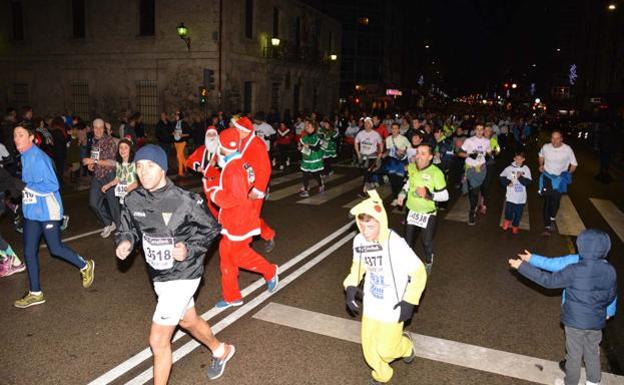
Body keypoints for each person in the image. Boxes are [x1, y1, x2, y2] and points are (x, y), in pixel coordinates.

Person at [115, 145, 234, 383]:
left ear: (162, 169)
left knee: (158, 340)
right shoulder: (132, 199)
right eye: (139, 166)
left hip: (184, 273)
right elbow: (127, 228)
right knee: (187, 320)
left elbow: (212, 229)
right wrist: (125, 241)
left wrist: (189, 249)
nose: (144, 171)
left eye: (150, 166)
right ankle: (221, 350)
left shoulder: (185, 200)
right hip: (159, 276)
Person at [508, 229, 617, 385]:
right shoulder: (610, 270)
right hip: (596, 322)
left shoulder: (574, 268)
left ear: (581, 245)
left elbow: (548, 281)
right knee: (592, 353)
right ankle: (594, 383)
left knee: (573, 355)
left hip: (574, 322)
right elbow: (612, 294)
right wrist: (608, 311)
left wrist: (523, 267)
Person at [343, 190, 427, 385]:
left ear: (381, 222)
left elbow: (419, 272)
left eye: (370, 226)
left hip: (394, 305)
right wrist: (351, 286)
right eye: (362, 226)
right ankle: (382, 375)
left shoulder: (395, 244)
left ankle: (406, 346)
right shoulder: (359, 241)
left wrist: (410, 301)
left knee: (387, 350)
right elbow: (359, 266)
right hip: (372, 303)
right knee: (369, 348)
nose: (365, 231)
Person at [13, 123, 95, 308]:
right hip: (32, 212)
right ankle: (35, 293)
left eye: (20, 135)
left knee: (55, 248)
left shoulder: (39, 158)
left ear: (31, 137)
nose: (16, 138)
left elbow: (52, 186)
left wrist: (25, 187)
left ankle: (85, 265)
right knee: (28, 251)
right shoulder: (24, 156)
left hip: (48, 211)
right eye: (15, 135)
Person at [207, 128, 279, 309]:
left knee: (237, 256)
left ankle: (269, 271)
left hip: (239, 221)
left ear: (222, 146)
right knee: (226, 255)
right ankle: (232, 296)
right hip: (238, 218)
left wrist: (214, 192)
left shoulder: (233, 168)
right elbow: (248, 183)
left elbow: (234, 197)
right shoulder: (240, 162)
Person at [397, 144, 448, 273]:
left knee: (426, 242)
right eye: (417, 152)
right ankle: (407, 265)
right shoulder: (412, 167)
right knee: (408, 241)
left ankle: (429, 260)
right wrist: (403, 193)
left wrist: (428, 195)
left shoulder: (436, 173)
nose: (418, 156)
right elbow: (409, 182)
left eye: (423, 153)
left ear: (430, 157)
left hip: (428, 213)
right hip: (411, 210)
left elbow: (445, 196)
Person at [233, 116, 276, 253]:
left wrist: (257, 190)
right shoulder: (238, 142)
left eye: (237, 128)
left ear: (244, 130)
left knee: (249, 218)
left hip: (254, 188)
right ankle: (267, 234)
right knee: (246, 217)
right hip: (240, 187)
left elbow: (266, 169)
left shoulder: (257, 144)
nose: (235, 130)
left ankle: (245, 248)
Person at [83, 118, 120, 238]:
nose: (98, 130)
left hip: (109, 175)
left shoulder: (109, 141)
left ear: (104, 129)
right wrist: (91, 165)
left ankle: (121, 231)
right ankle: (108, 223)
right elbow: (96, 159)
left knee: (113, 205)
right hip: (97, 175)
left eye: (100, 127)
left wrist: (93, 160)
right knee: (93, 203)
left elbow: (111, 162)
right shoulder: (94, 141)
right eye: (95, 127)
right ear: (93, 128)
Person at [538, 130, 578, 236]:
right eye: (553, 138)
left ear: (561, 139)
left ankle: (552, 218)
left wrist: (567, 175)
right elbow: (541, 155)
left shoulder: (567, 149)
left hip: (559, 179)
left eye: (557, 138)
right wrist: (541, 164)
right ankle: (547, 226)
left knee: (555, 200)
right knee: (547, 200)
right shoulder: (546, 147)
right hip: (547, 177)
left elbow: (574, 164)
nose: (555, 141)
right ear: (550, 138)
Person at [459, 124, 492, 225]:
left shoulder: (487, 141)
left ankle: (472, 211)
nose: (479, 131)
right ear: (474, 130)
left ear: (483, 131)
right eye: (477, 129)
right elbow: (459, 153)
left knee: (475, 192)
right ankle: (473, 209)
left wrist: (492, 153)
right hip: (470, 170)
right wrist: (469, 155)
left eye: (481, 129)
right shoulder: (469, 140)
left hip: (481, 170)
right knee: (472, 191)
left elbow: (489, 153)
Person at [185, 126, 220, 218]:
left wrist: (218, 164)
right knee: (210, 204)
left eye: (213, 134)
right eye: (209, 134)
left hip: (219, 182)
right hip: (206, 182)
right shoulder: (202, 149)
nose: (212, 136)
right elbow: (189, 160)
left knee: (216, 206)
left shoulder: (221, 149)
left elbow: (229, 163)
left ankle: (219, 223)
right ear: (206, 136)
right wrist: (197, 166)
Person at [499, 151, 531, 234]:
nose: (518, 161)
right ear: (514, 158)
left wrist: (520, 177)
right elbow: (502, 176)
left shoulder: (526, 169)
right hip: (511, 196)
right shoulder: (509, 168)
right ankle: (507, 220)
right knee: (508, 211)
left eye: (520, 159)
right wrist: (507, 182)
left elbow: (527, 182)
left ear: (523, 159)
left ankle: (515, 225)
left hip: (521, 197)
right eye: (517, 159)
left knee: (518, 213)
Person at [101, 139, 138, 208]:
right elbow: (118, 179)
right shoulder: (119, 164)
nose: (122, 150)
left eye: (126, 147)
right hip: (123, 197)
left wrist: (130, 188)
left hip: (134, 197)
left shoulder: (135, 164)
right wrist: (108, 185)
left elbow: (139, 181)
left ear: (130, 150)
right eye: (121, 147)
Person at [355, 117, 384, 193]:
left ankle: (364, 190)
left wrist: (380, 153)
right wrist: (358, 153)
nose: (366, 124)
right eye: (365, 123)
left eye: (368, 123)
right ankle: (372, 184)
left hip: (372, 156)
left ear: (371, 125)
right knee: (366, 173)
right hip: (363, 157)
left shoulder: (375, 134)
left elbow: (381, 143)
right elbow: (356, 142)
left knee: (367, 172)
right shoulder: (360, 133)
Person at [298, 119, 325, 197]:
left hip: (314, 159)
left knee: (315, 174)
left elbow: (316, 148)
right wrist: (300, 147)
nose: (307, 128)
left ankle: (320, 184)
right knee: (305, 174)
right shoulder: (304, 137)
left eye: (309, 126)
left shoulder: (318, 137)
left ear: (313, 128)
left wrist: (309, 146)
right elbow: (302, 145)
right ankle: (306, 190)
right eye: (306, 126)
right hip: (306, 158)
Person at [384, 122, 410, 205]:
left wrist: (403, 151)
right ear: (391, 129)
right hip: (392, 161)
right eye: (393, 128)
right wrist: (385, 154)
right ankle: (395, 198)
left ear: (399, 130)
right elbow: (388, 150)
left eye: (396, 128)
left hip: (401, 161)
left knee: (398, 180)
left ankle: (399, 197)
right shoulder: (388, 139)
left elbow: (410, 148)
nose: (394, 130)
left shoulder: (403, 138)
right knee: (392, 180)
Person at [172, 110, 191, 177]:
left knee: (178, 155)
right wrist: (173, 133)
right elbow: (172, 130)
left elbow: (189, 133)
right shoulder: (174, 123)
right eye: (175, 115)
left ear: (180, 116)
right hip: (176, 141)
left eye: (177, 115)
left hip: (183, 141)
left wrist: (183, 135)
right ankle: (187, 168)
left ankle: (180, 172)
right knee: (181, 156)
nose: (175, 116)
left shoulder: (184, 123)